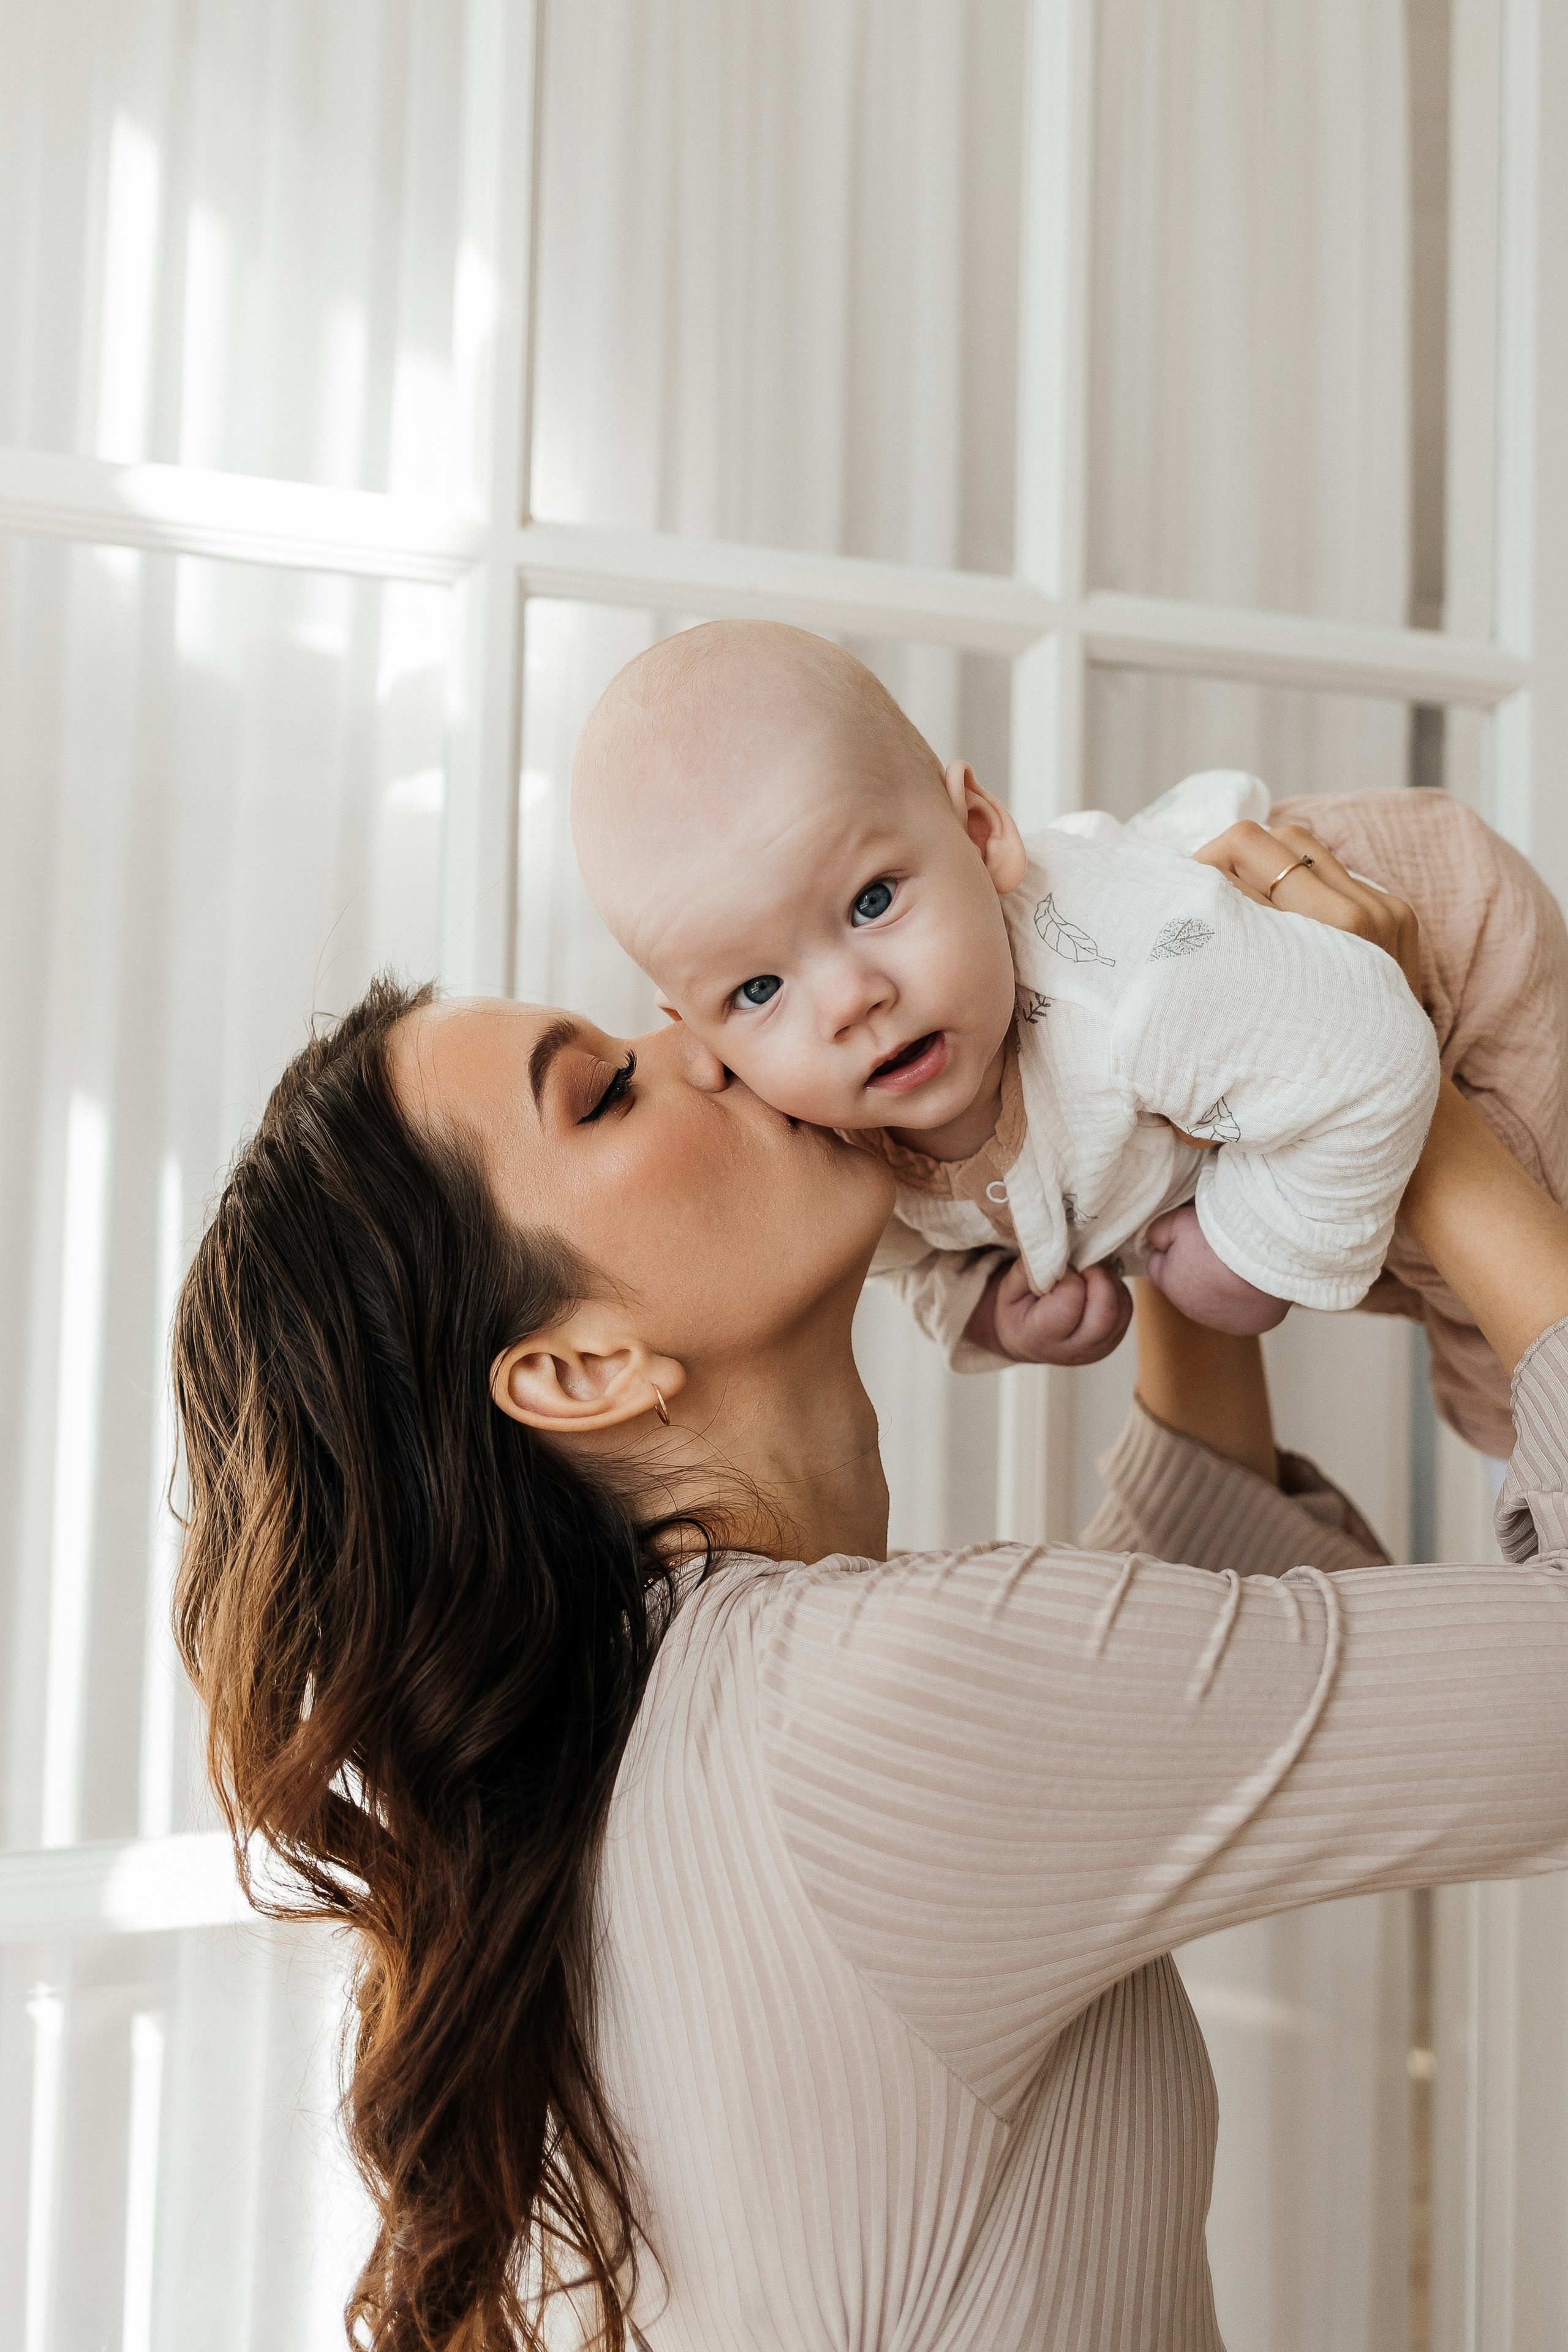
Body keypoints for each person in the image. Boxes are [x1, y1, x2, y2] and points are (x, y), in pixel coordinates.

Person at [172, 854, 1568, 2352]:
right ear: (577, 1371)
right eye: (603, 1092)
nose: (702, 1039)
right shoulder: (859, 1713)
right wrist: (1371, 1068)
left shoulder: (679, 1742)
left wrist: (1156, 1138)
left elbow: (1163, 1642)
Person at [570, 621, 1568, 1452]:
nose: (851, 1000)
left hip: (1441, 965)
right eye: (756, 988)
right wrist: (989, 1315)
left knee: (1495, 1362)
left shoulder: (1135, 985)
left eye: (872, 901)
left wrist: (1246, 1255)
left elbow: (1369, 1055)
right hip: (1273, 1090)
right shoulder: (822, 1150)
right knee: (1417, 1287)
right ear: (696, 1033)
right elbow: (912, 1258)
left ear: (980, 834)